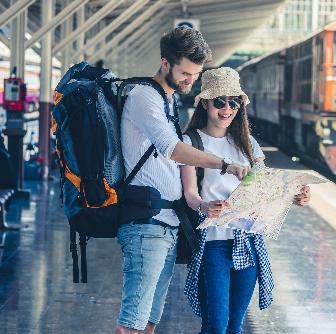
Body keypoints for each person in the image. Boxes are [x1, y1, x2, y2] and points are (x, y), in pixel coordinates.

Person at [116, 28, 249, 334]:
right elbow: (172, 149)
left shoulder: (167, 100)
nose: (191, 80)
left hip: (165, 224)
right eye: (186, 73)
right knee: (132, 323)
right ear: (165, 63)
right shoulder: (144, 98)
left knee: (149, 321)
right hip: (145, 225)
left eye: (196, 73)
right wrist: (225, 165)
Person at [181, 67, 311, 334]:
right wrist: (205, 206)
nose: (226, 109)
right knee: (216, 325)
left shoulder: (248, 144)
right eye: (219, 101)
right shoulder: (190, 142)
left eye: (234, 102)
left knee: (234, 327)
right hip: (212, 244)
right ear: (205, 103)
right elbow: (190, 195)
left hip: (248, 242)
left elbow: (266, 190)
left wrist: (295, 196)